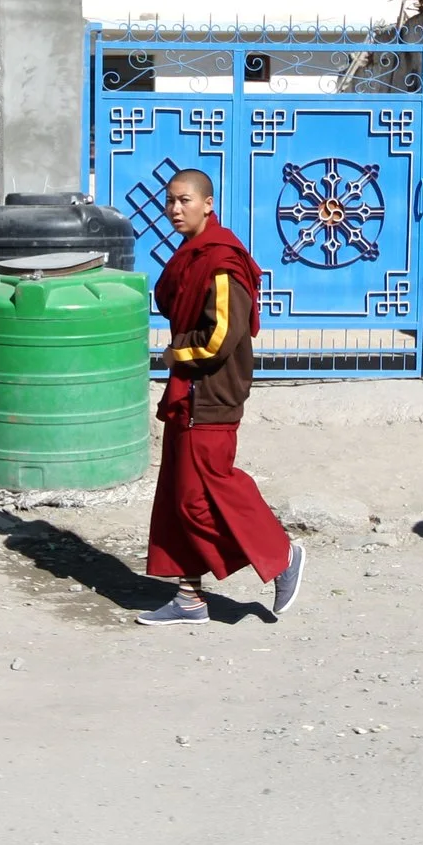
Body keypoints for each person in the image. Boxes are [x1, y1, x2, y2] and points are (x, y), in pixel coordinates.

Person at [137, 169, 305, 626]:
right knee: (177, 493)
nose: (174, 209)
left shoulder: (222, 260)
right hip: (188, 391)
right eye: (170, 200)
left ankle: (282, 554)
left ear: (208, 204)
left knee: (205, 490)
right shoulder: (190, 255)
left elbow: (222, 336)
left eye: (185, 200)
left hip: (210, 389)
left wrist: (177, 354)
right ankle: (189, 596)